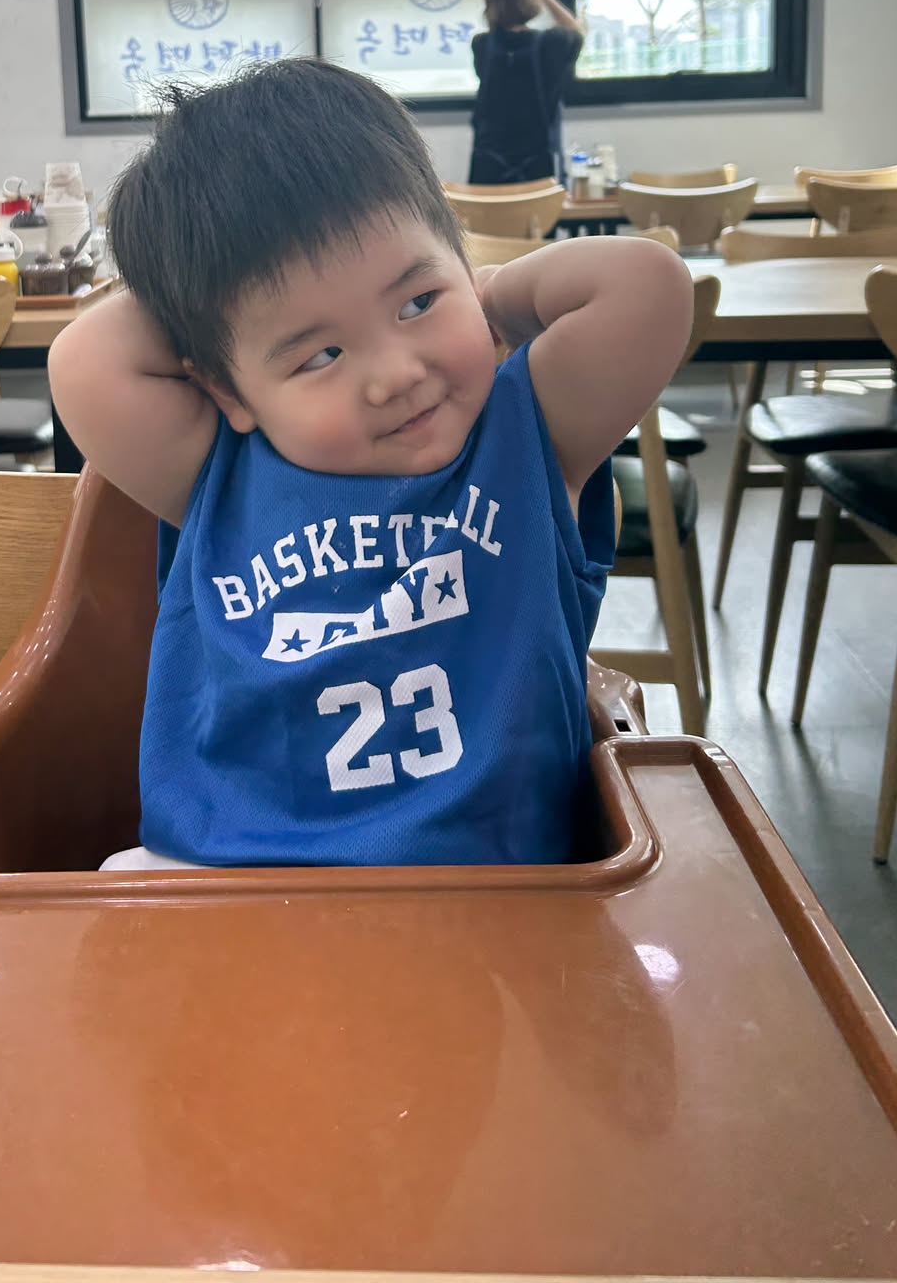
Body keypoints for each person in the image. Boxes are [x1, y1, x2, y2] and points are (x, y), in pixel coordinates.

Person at [49, 57, 692, 869]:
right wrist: (209, 294)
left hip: (494, 893)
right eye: (320, 355)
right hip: (222, 880)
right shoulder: (216, 471)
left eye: (418, 302)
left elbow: (648, 284)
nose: (395, 375)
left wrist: (483, 292)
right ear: (227, 391)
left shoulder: (530, 437)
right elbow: (83, 359)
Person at [468, 0, 584, 185]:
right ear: (530, 0)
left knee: (487, 208)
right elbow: (576, 32)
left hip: (488, 167)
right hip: (539, 167)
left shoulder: (482, 44)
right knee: (540, 208)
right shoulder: (552, 43)